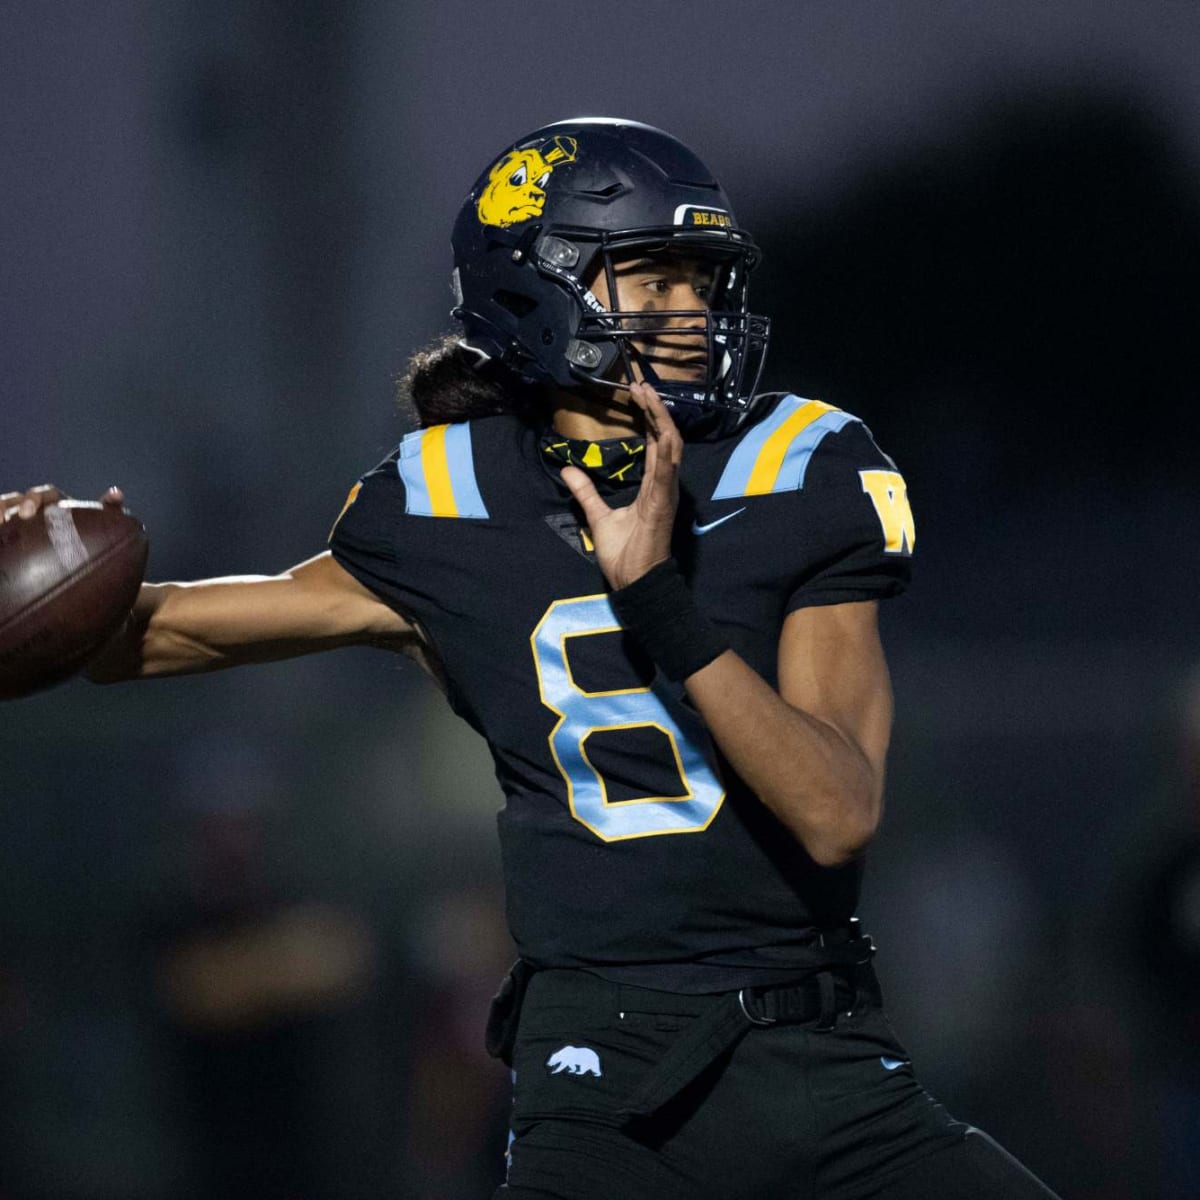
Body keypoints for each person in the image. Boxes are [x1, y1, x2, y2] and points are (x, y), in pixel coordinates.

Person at [3, 118, 1064, 1199]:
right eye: (655, 280)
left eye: (702, 281)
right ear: (540, 287)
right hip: (604, 1076)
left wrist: (659, 603)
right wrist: (34, 593)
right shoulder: (443, 501)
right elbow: (156, 634)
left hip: (824, 1059)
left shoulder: (798, 464)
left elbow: (836, 811)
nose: (694, 313)